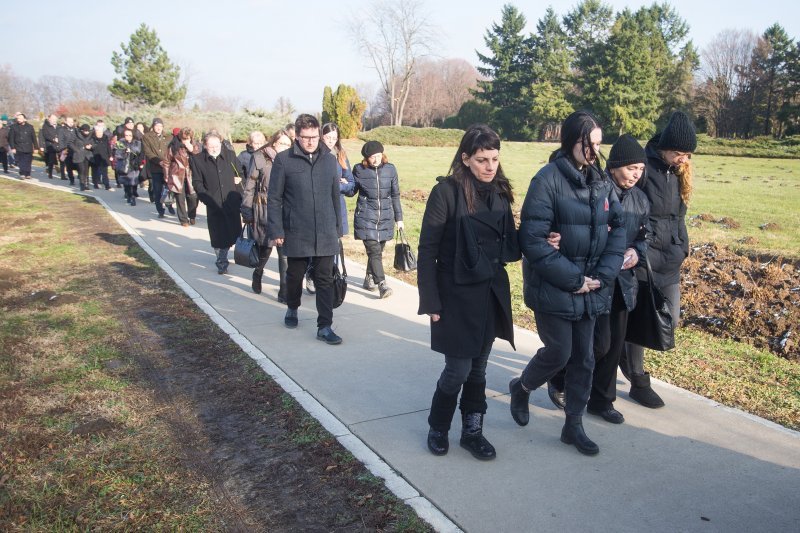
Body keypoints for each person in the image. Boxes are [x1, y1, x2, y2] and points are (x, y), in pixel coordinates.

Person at [509, 110, 625, 456]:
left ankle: (573, 425)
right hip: (556, 286)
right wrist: (574, 280)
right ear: (570, 141)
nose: (594, 151)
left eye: (598, 144)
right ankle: (523, 386)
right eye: (587, 144)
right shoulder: (546, 181)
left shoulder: (601, 181)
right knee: (560, 351)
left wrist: (602, 275)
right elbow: (532, 240)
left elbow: (619, 227)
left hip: (592, 285)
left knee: (585, 358)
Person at [418, 124, 521, 460]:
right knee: (457, 370)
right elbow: (427, 249)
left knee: (478, 370)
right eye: (481, 159)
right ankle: (438, 427)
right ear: (465, 158)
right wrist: (430, 299)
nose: (489, 166)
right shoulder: (446, 192)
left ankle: (472, 432)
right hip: (454, 295)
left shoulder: (501, 193)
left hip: (489, 294)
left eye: (494, 158)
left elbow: (510, 245)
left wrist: (544, 239)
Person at [546, 134, 650, 424]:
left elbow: (645, 235)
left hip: (623, 283)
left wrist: (635, 252)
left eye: (640, 170)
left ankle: (602, 401)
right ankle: (559, 376)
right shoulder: (597, 189)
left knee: (614, 346)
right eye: (631, 169)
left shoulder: (641, 199)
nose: (636, 175)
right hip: (596, 278)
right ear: (615, 166)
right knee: (595, 345)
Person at [622, 111, 697, 408]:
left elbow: (679, 214)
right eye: (678, 152)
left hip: (670, 260)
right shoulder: (644, 166)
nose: (683, 159)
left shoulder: (679, 171)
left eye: (687, 154)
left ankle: (621, 354)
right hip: (645, 259)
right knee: (642, 322)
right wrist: (640, 248)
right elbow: (630, 208)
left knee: (671, 318)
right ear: (664, 147)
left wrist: (683, 246)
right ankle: (638, 381)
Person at [266, 114, 343, 345]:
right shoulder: (283, 160)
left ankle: (325, 326)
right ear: (296, 136)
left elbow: (334, 196)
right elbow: (274, 198)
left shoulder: (329, 160)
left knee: (324, 280)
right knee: (295, 275)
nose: (311, 141)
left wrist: (337, 228)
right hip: (296, 229)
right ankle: (292, 306)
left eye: (314, 137)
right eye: (305, 137)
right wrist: (277, 230)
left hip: (325, 231)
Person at [350, 141, 404, 298]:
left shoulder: (390, 169)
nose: (376, 159)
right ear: (366, 158)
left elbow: (395, 194)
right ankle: (382, 285)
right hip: (366, 217)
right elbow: (352, 191)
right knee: (374, 251)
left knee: (378, 251)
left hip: (386, 217)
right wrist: (342, 185)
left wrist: (399, 218)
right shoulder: (359, 170)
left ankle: (369, 278)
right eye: (372, 157)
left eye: (378, 156)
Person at [241, 129, 291, 298]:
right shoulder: (260, 158)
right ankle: (258, 272)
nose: (285, 147)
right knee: (265, 250)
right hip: (264, 209)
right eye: (282, 143)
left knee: (284, 253)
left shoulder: (291, 160)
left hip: (285, 210)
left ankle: (284, 291)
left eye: (288, 144)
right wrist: (246, 210)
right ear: (274, 142)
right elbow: (249, 186)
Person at [190, 131, 243, 275]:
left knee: (233, 232)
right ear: (205, 146)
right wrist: (207, 198)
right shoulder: (198, 160)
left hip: (231, 201)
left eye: (217, 145)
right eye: (211, 146)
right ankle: (221, 261)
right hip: (214, 203)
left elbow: (240, 173)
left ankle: (223, 255)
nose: (214, 148)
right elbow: (197, 183)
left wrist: (238, 185)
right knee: (218, 234)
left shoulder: (230, 156)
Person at [166, 128, 200, 227]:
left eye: (188, 138)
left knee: (193, 197)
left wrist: (191, 148)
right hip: (177, 174)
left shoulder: (194, 145)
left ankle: (192, 215)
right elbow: (166, 161)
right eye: (184, 139)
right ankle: (183, 219)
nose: (185, 141)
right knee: (180, 198)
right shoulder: (173, 146)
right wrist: (166, 176)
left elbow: (199, 158)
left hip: (191, 174)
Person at [143, 118, 172, 218]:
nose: (158, 128)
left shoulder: (168, 137)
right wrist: (158, 161)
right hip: (156, 167)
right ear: (153, 126)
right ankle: (160, 210)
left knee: (168, 188)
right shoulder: (147, 137)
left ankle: (169, 203)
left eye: (160, 126)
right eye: (156, 126)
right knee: (157, 189)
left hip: (167, 167)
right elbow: (147, 152)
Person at [114, 128, 143, 206]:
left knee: (133, 182)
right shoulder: (120, 142)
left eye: (130, 135)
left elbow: (139, 152)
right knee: (127, 183)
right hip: (124, 165)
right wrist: (125, 152)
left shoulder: (137, 143)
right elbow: (117, 154)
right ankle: (129, 195)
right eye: (126, 135)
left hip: (134, 165)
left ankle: (133, 196)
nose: (128, 137)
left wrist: (131, 151)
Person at [8, 113, 39, 179]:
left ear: (24, 119)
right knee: (21, 161)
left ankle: (28, 173)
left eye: (20, 118)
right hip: (18, 147)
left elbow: (34, 138)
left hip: (28, 147)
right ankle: (22, 173)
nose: (18, 120)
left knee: (28, 161)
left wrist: (36, 147)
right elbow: (11, 138)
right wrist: (13, 147)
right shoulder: (13, 127)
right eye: (17, 118)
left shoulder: (30, 127)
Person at [70, 124, 94, 191]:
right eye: (85, 131)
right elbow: (70, 143)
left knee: (86, 170)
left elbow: (93, 143)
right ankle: (82, 184)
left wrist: (90, 146)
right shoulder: (76, 135)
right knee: (81, 170)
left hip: (87, 155)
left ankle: (86, 184)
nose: (87, 132)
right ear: (82, 130)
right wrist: (77, 150)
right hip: (79, 155)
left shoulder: (90, 135)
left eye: (88, 131)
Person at [89, 120, 112, 190]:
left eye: (100, 132)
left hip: (103, 157)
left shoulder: (105, 138)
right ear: (95, 132)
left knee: (105, 173)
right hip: (95, 157)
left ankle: (107, 185)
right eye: (98, 132)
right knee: (95, 172)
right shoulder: (92, 138)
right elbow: (90, 147)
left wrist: (110, 155)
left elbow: (108, 147)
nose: (99, 133)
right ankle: (96, 183)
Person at [39, 114, 59, 179]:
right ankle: (50, 173)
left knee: (62, 159)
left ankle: (62, 172)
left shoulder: (58, 126)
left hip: (59, 144)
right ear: (49, 119)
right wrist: (53, 139)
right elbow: (45, 135)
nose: (54, 120)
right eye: (53, 119)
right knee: (51, 159)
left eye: (55, 119)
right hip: (50, 145)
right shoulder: (45, 126)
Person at [57, 117, 76, 182]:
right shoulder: (62, 129)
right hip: (65, 148)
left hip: (73, 149)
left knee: (73, 163)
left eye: (72, 122)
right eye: (69, 122)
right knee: (64, 163)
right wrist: (63, 149)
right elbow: (60, 140)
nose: (71, 123)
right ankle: (63, 175)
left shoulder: (75, 129)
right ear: (66, 122)